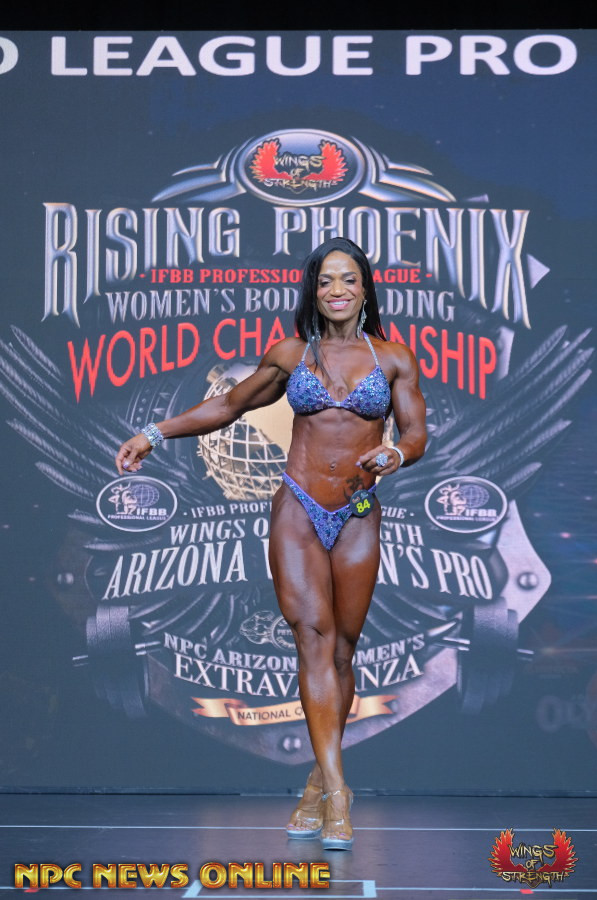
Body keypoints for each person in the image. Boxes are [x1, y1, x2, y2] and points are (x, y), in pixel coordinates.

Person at [115, 237, 427, 850]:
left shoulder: (393, 358)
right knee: (313, 637)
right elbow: (229, 406)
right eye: (326, 281)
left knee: (343, 652)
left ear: (365, 288)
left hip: (359, 512)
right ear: (314, 291)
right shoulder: (291, 354)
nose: (337, 290)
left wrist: (395, 453)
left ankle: (316, 784)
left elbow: (416, 433)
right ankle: (339, 793)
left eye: (349, 279)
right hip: (299, 507)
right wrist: (154, 432)